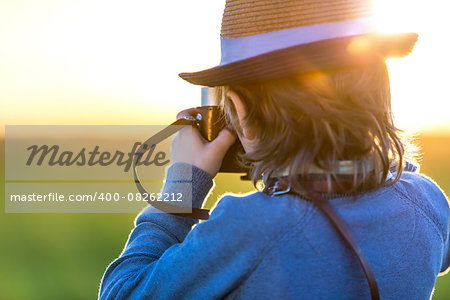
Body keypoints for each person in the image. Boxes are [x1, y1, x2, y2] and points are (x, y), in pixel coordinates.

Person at [99, 0, 450, 299]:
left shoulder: (250, 225)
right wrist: (365, 163)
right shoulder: (426, 202)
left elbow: (123, 291)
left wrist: (184, 183)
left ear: (239, 109)